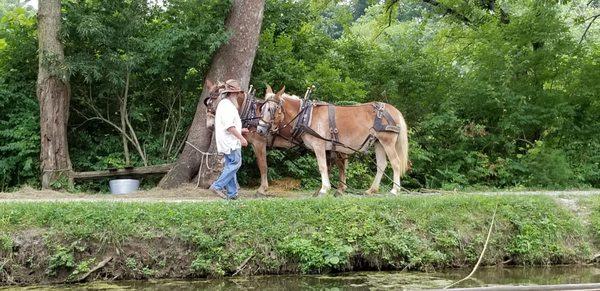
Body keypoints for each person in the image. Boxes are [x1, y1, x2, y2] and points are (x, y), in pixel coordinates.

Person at [209, 79, 249, 200]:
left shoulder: (226, 105)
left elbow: (228, 125)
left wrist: (241, 130)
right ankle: (217, 186)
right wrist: (241, 138)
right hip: (230, 142)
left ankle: (232, 194)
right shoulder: (226, 105)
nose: (238, 95)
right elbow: (229, 126)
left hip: (228, 140)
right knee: (235, 164)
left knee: (230, 167)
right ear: (231, 93)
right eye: (237, 93)